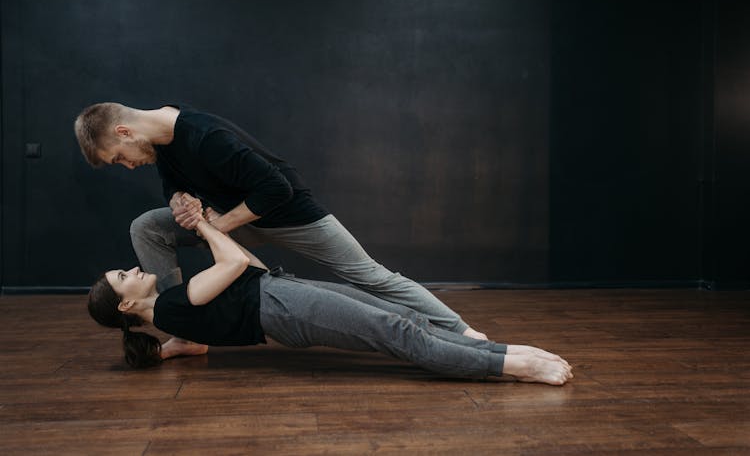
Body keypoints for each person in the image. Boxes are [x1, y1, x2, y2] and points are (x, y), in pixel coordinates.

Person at [74, 102, 487, 343]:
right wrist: (178, 199)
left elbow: (277, 190)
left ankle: (464, 333)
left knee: (373, 278)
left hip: (291, 216)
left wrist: (217, 226)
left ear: (125, 132)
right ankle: (186, 330)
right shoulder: (161, 142)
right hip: (233, 222)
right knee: (148, 225)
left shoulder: (205, 137)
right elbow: (173, 181)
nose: (127, 167)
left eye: (119, 158)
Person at [87, 213, 573, 385]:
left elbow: (246, 268)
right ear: (127, 305)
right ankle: (511, 366)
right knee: (397, 332)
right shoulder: (174, 308)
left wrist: (211, 230)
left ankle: (499, 352)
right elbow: (235, 265)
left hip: (280, 292)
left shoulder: (179, 313)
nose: (132, 268)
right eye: (122, 276)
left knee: (401, 315)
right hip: (283, 310)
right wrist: (205, 226)